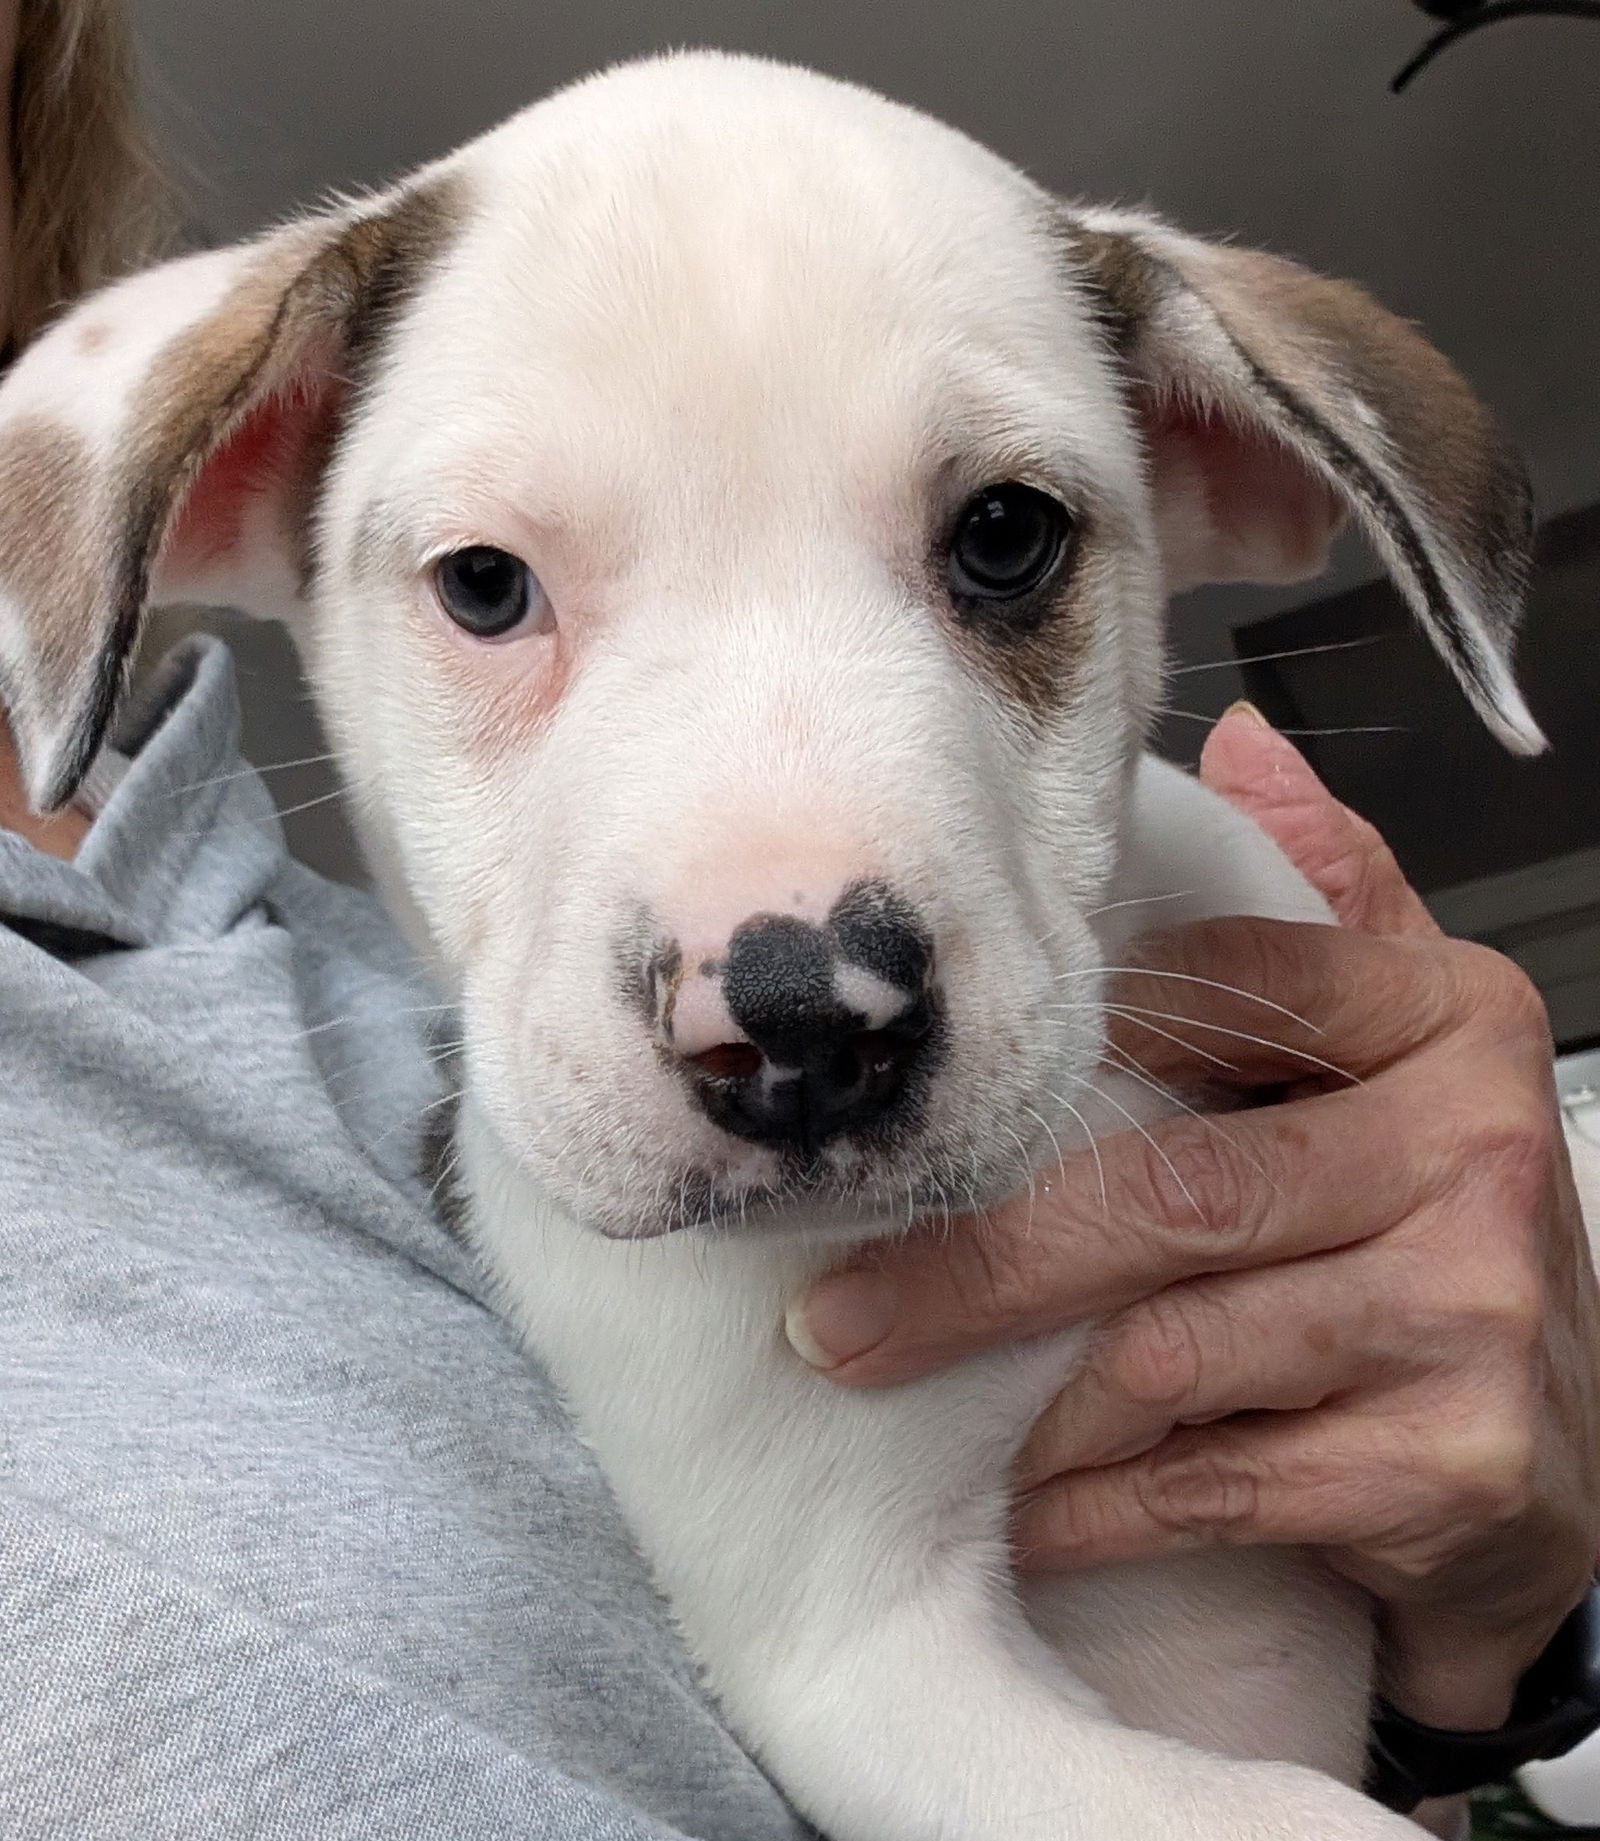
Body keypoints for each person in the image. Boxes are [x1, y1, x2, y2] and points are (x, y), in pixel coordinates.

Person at [0, 5, 1594, 1837]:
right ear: (228, 488)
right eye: (489, 584)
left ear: (1208, 464)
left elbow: (1478, 1521)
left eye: (1002, 538)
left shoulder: (1244, 930)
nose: (787, 987)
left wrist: (1525, 1617)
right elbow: (859, 1659)